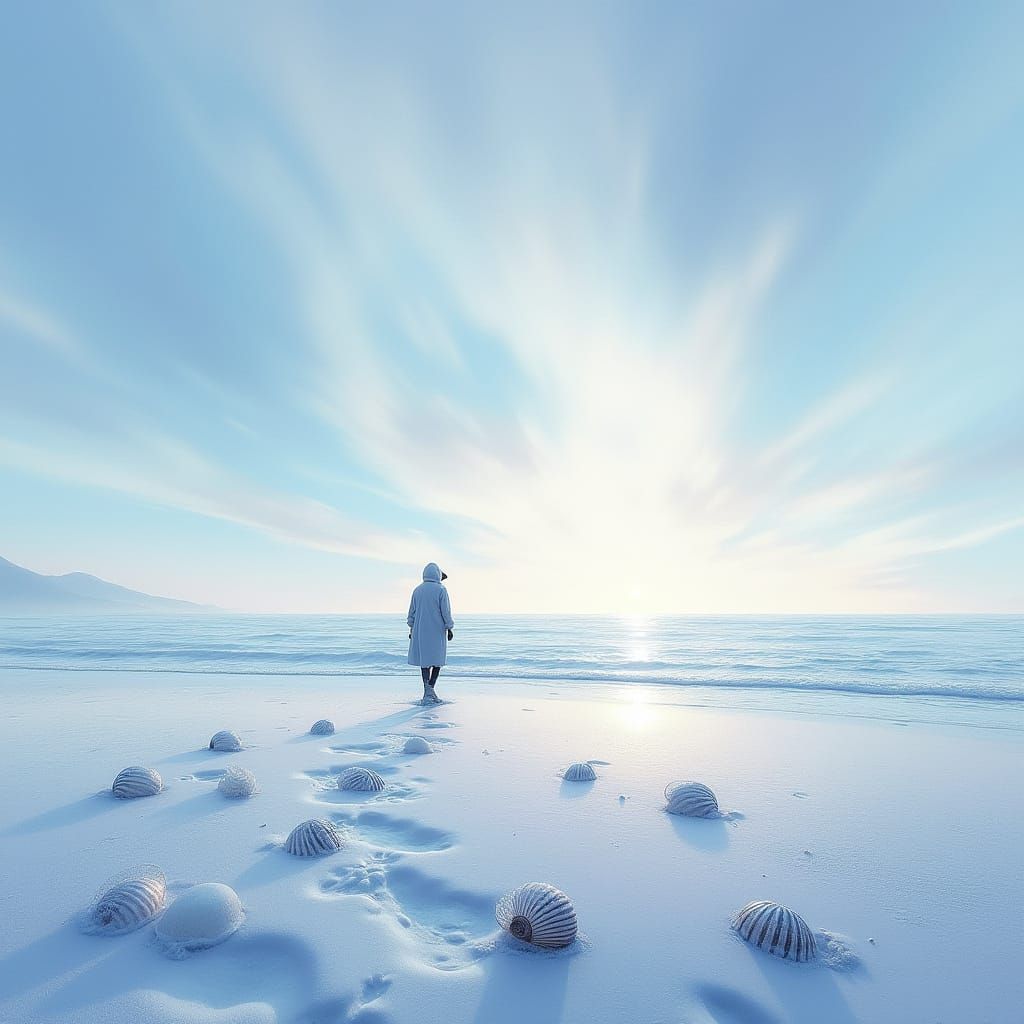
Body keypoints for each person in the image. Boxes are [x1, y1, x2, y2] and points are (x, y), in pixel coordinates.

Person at [407, 562, 454, 704]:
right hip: (437, 630)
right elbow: (445, 611)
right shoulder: (441, 590)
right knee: (437, 661)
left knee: (425, 661)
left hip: (420, 630)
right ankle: (430, 689)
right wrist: (449, 627)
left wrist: (411, 628)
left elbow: (411, 613)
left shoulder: (417, 590)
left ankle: (427, 690)